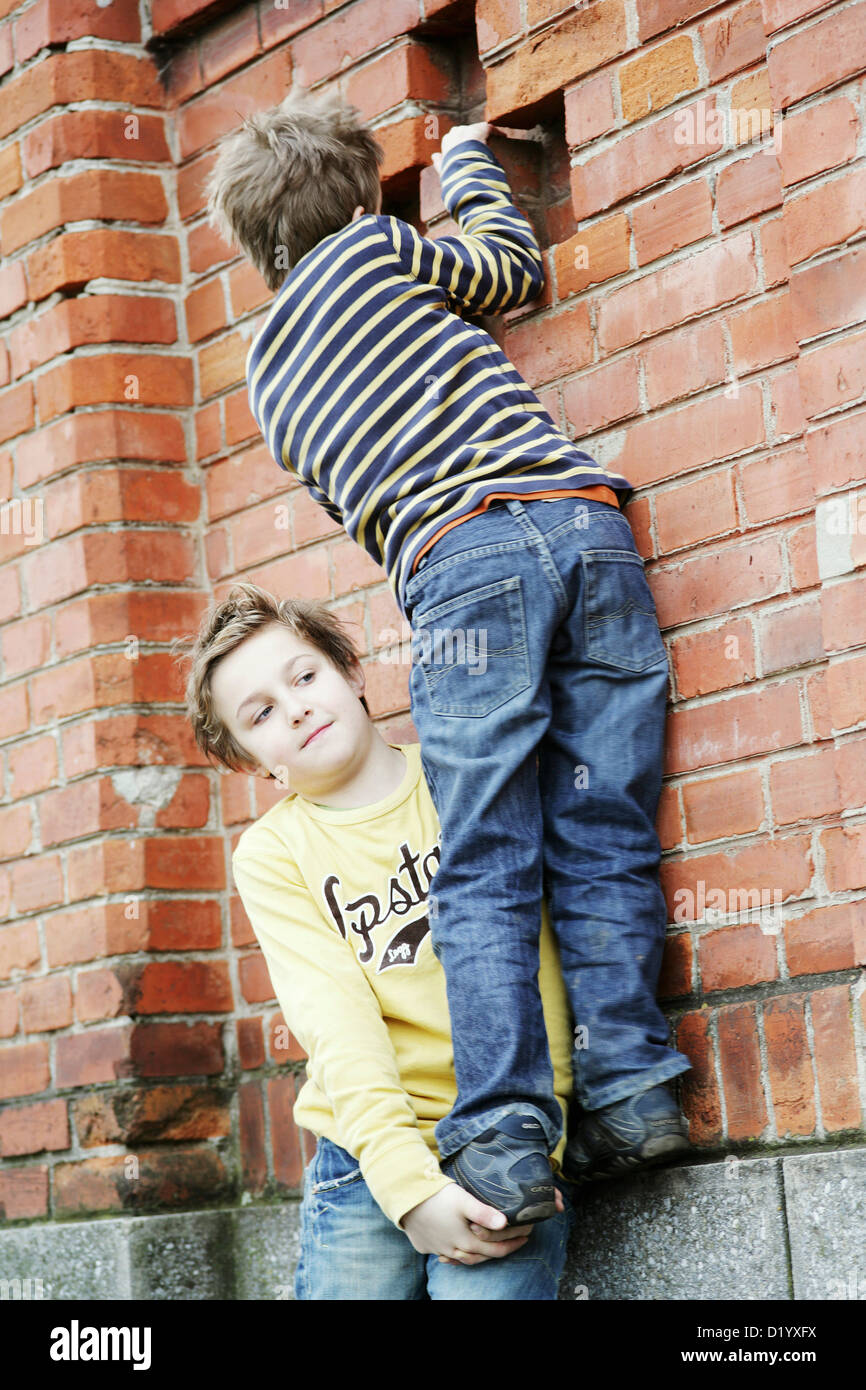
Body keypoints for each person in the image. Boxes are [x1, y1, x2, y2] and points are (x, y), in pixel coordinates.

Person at [205, 86, 693, 1223]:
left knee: (482, 852)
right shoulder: (385, 247)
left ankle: (507, 1129)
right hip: (582, 521)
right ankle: (629, 1087)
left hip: (461, 567)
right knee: (602, 819)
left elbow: (364, 494)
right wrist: (467, 163)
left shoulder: (270, 387)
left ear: (254, 246)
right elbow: (506, 268)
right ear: (358, 195)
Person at [179, 582, 575, 1300]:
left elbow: (535, 952)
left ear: (352, 672)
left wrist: (548, 1133)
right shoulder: (275, 853)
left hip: (502, 1135)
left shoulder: (459, 776)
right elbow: (337, 1025)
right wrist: (407, 1189)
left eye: (305, 676)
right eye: (261, 713)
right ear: (251, 762)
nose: (296, 706)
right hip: (365, 1152)